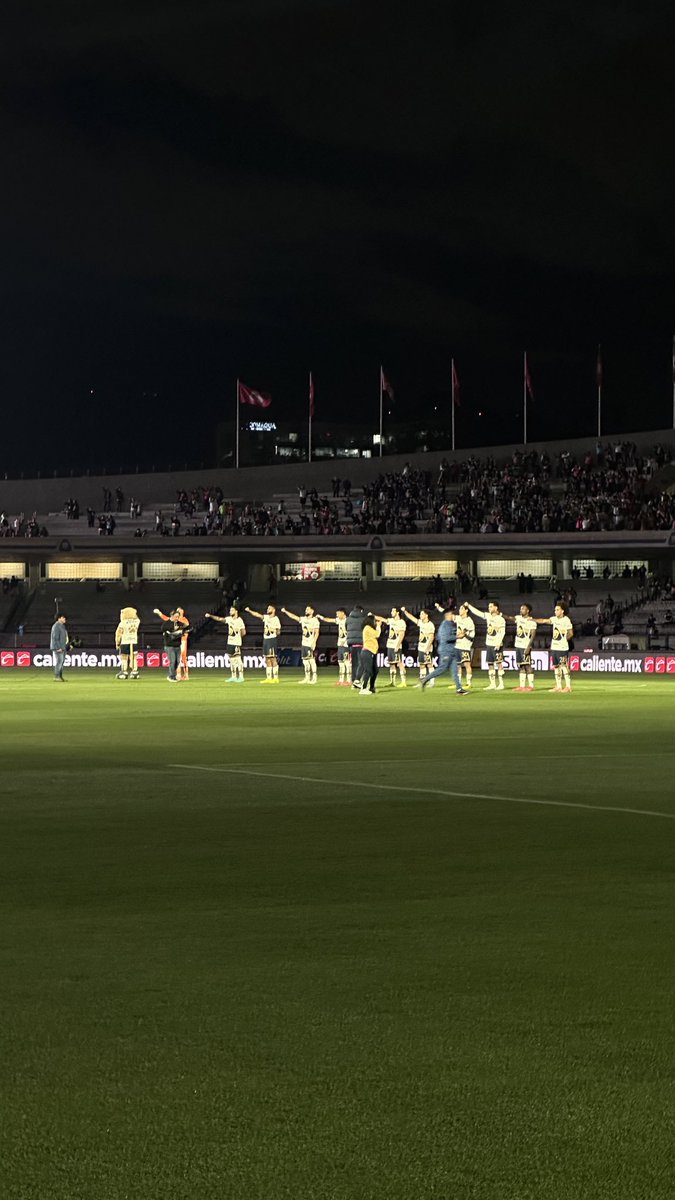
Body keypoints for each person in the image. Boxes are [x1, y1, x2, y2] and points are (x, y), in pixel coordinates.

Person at [419, 608, 467, 694]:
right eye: (452, 615)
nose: (453, 616)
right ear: (448, 615)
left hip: (451, 650)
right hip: (446, 650)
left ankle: (459, 689)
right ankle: (425, 679)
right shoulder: (445, 625)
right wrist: (458, 637)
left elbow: (439, 637)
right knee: (442, 668)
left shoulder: (450, 624)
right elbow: (445, 638)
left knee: (454, 670)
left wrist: (458, 635)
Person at [534, 603, 574, 692]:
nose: (555, 611)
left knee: (564, 666)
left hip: (562, 648)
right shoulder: (554, 619)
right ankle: (559, 686)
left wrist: (563, 640)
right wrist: (533, 620)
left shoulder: (566, 620)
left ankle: (568, 686)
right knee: (556, 666)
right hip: (554, 647)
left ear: (562, 611)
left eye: (557, 610)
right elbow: (544, 621)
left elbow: (571, 633)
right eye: (555, 610)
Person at [467, 600, 506, 690]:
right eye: (489, 607)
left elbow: (502, 632)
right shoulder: (488, 616)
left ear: (496, 608)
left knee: (499, 663)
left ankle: (501, 684)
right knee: (490, 663)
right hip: (489, 643)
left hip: (497, 644)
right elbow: (478, 613)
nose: (489, 608)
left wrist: (499, 642)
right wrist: (469, 606)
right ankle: (492, 684)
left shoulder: (500, 619)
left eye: (491, 607)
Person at [205, 605, 247, 682]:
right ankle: (233, 676)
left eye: (232, 610)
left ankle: (241, 676)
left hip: (236, 643)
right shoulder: (229, 619)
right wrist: (210, 616)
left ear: (236, 611)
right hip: (230, 642)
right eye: (230, 610)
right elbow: (220, 619)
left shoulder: (239, 620)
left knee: (238, 659)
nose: (230, 612)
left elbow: (244, 632)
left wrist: (237, 637)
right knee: (232, 660)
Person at [281, 604, 320, 684]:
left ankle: (314, 678)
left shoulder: (315, 620)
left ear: (312, 611)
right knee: (305, 661)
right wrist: (285, 611)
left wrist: (314, 642)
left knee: (311, 660)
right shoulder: (303, 619)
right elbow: (294, 617)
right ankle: (307, 677)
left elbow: (317, 633)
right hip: (304, 643)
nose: (306, 611)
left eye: (308, 609)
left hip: (310, 643)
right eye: (306, 609)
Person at [245, 603, 281, 682]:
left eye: (269, 608)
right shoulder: (266, 617)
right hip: (266, 640)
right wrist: (249, 611)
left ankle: (275, 678)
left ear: (273, 610)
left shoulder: (276, 619)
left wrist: (273, 629)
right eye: (267, 608)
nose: (268, 609)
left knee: (273, 658)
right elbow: (258, 615)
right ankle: (268, 678)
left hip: (272, 639)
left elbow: (278, 632)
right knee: (267, 659)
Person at [506, 602, 537, 692]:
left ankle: (531, 686)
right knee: (521, 665)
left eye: (523, 608)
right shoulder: (518, 618)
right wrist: (500, 614)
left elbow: (533, 634)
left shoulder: (531, 621)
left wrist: (529, 646)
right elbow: (510, 618)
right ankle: (522, 686)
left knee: (527, 665)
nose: (521, 610)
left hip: (525, 646)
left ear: (528, 611)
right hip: (518, 645)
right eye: (521, 608)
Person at [317, 607, 351, 685]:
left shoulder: (348, 621)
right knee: (340, 662)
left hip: (346, 644)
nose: (337, 615)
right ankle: (341, 680)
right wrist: (321, 617)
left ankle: (349, 680)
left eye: (338, 613)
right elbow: (329, 620)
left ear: (342, 613)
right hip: (340, 644)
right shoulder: (339, 620)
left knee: (347, 662)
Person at [401, 606, 435, 684]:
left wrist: (427, 647)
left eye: (422, 614)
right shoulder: (421, 623)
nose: (420, 615)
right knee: (422, 664)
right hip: (421, 648)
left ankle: (432, 682)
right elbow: (412, 618)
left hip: (427, 648)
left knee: (429, 664)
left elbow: (432, 637)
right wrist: (405, 611)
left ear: (426, 615)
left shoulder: (430, 625)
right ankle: (422, 681)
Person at [154, 607, 188, 682]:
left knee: (177, 662)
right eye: (176, 616)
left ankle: (173, 675)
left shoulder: (179, 623)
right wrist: (175, 630)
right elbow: (163, 629)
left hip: (177, 645)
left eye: (178, 616)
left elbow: (186, 627)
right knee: (172, 661)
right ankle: (171, 676)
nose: (177, 618)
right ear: (172, 616)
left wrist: (182, 630)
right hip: (169, 646)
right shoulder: (166, 624)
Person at [357, 612, 384, 694]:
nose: (375, 623)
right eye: (374, 621)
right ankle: (363, 688)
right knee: (368, 670)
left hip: (372, 651)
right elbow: (377, 634)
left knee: (375, 670)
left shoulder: (368, 628)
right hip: (367, 651)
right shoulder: (367, 627)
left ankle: (371, 687)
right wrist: (379, 626)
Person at [381, 606, 408, 688]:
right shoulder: (391, 621)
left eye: (393, 611)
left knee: (399, 663)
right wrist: (373, 616)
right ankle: (392, 682)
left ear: (398, 612)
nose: (391, 612)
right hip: (390, 645)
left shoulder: (401, 622)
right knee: (392, 663)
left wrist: (397, 645)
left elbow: (402, 634)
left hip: (396, 646)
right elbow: (383, 619)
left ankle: (404, 682)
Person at [115, 605, 141, 680]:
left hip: (125, 641)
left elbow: (118, 633)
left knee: (124, 658)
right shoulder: (137, 622)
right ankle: (134, 672)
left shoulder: (122, 623)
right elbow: (137, 618)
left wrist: (117, 643)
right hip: (134, 641)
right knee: (134, 658)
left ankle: (124, 672)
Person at [454, 603, 475, 691]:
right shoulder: (458, 618)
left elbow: (462, 634)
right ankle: (459, 683)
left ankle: (468, 683)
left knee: (466, 664)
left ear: (466, 610)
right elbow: (450, 616)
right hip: (457, 645)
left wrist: (452, 637)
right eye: (459, 609)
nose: (460, 610)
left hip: (465, 646)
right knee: (458, 665)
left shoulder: (469, 621)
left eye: (462, 609)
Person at [346, 603, 365, 683]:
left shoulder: (348, 619)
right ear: (361, 610)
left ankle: (353, 680)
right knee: (362, 663)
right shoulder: (363, 619)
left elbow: (346, 628)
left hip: (351, 644)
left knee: (354, 663)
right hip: (361, 643)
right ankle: (358, 680)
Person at [50, 613, 69, 682]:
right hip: (58, 648)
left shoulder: (62, 626)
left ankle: (60, 677)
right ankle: (57, 677)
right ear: (59, 618)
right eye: (63, 618)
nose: (65, 619)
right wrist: (58, 647)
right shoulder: (56, 626)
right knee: (59, 662)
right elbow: (55, 638)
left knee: (61, 662)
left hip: (62, 647)